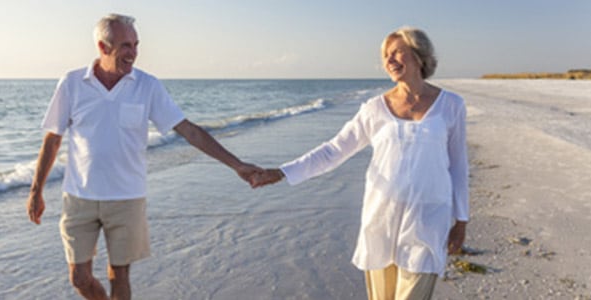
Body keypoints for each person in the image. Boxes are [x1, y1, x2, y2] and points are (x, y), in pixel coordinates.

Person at [26, 13, 261, 300]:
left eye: (136, 45)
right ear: (103, 47)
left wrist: (236, 165)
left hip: (127, 198)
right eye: (126, 45)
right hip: (79, 197)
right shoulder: (72, 83)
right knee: (80, 278)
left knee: (119, 276)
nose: (134, 53)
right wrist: (36, 190)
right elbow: (52, 139)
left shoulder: (147, 85)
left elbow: (189, 131)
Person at [253, 27, 469, 300]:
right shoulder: (374, 109)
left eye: (396, 53)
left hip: (427, 221)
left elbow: (459, 166)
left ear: (419, 55)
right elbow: (334, 150)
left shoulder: (451, 105)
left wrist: (461, 221)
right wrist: (282, 172)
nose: (389, 60)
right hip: (380, 221)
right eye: (385, 56)